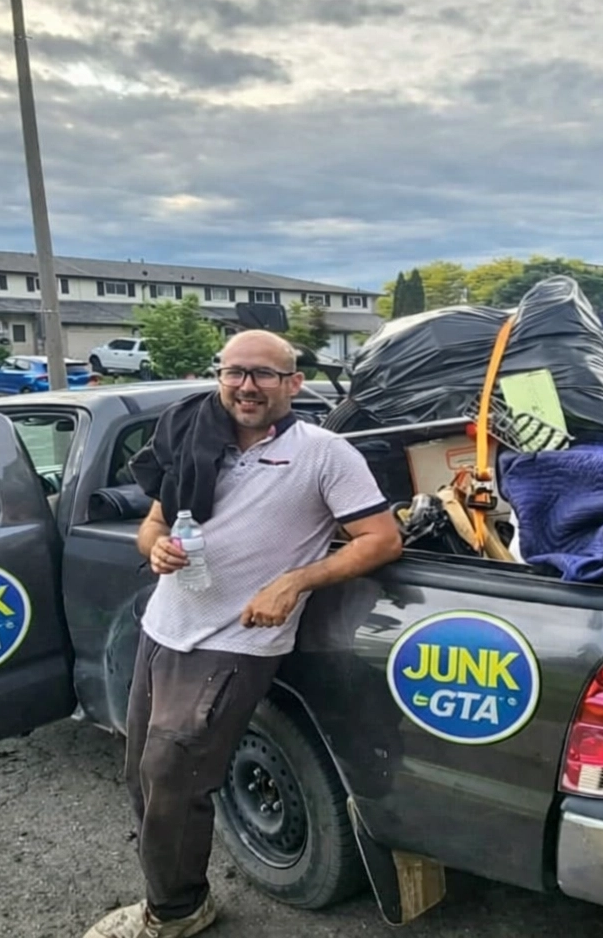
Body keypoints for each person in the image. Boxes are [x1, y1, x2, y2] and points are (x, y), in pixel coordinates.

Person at [86, 330, 403, 938]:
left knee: (173, 777)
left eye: (262, 374)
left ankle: (175, 912)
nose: (246, 386)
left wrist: (296, 582)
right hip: (165, 628)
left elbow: (383, 539)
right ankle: (174, 894)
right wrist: (156, 550)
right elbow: (151, 525)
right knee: (142, 774)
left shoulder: (324, 453)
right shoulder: (191, 438)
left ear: (293, 383)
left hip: (237, 641)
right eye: (234, 372)